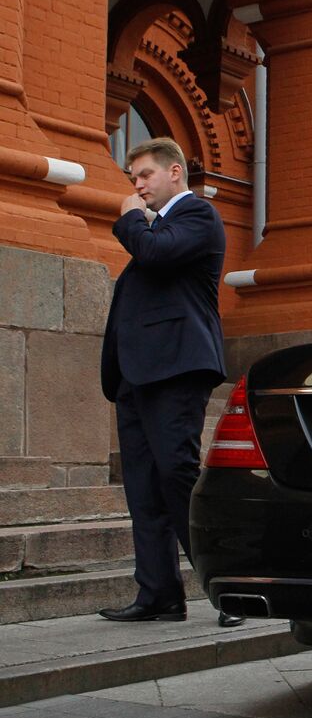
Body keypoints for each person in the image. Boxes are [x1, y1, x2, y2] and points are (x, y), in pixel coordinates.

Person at [99, 138, 236, 625]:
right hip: (136, 377)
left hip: (176, 369)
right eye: (133, 178)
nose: (136, 186)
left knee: (177, 476)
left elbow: (155, 255)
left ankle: (227, 587)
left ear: (174, 172)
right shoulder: (161, 229)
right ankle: (159, 594)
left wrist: (131, 215)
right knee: (144, 489)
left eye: (144, 175)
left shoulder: (197, 216)